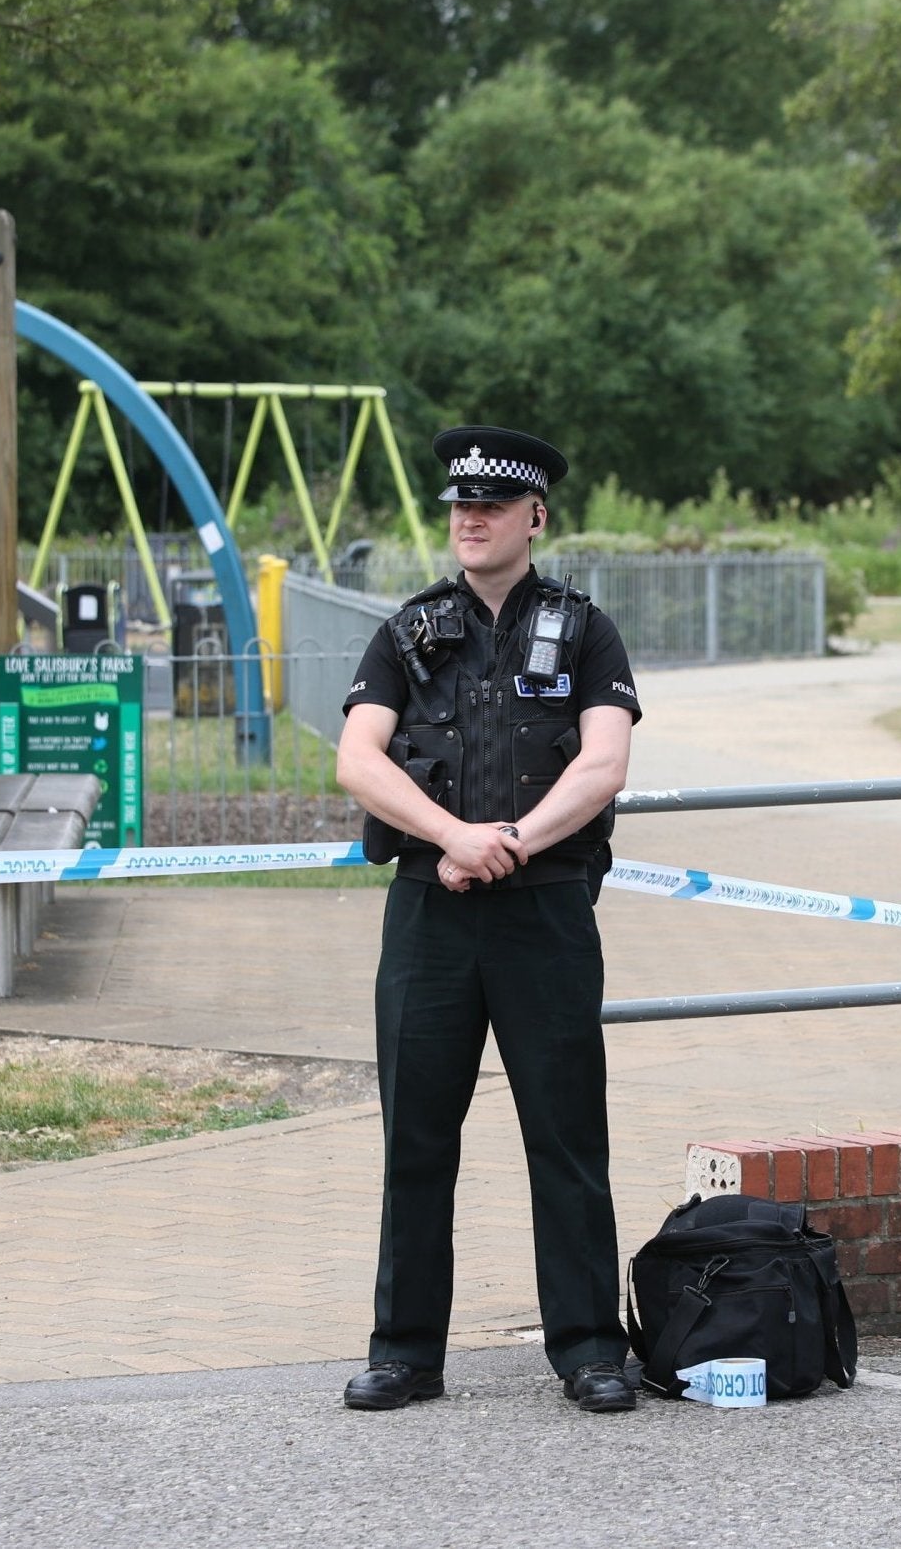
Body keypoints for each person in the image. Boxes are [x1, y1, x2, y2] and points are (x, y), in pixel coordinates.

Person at [336, 425, 642, 1414]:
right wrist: (452, 836)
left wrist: (510, 837)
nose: (470, 519)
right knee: (416, 1138)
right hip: (430, 914)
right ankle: (405, 1352)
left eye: (492, 506)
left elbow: (601, 763)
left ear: (535, 517)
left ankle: (593, 1347)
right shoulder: (407, 629)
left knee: (565, 1134)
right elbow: (358, 758)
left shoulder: (586, 630)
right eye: (459, 506)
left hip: (544, 912)